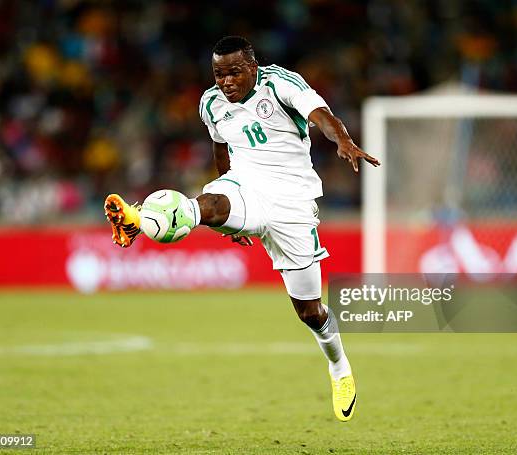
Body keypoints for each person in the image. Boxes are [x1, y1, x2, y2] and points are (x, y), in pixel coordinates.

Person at [104, 36, 379, 422]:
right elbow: (220, 148)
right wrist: (227, 203)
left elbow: (319, 114)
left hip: (292, 204)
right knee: (208, 206)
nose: (226, 81)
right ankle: (138, 219)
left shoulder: (281, 83)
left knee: (310, 312)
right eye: (219, 74)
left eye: (234, 72)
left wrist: (344, 141)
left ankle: (339, 366)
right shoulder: (210, 104)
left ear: (252, 67)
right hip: (245, 188)